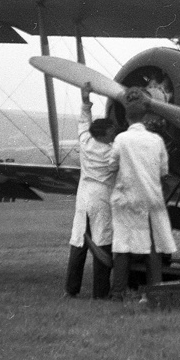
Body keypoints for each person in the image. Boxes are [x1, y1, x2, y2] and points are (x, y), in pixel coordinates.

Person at [109, 89, 175, 299]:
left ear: (127, 117)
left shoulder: (121, 139)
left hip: (126, 199)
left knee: (122, 247)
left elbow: (112, 164)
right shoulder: (156, 141)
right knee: (151, 248)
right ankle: (155, 292)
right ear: (145, 117)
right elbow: (164, 171)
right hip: (151, 199)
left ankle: (118, 292)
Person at [66, 84, 118, 298]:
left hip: (83, 197)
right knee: (102, 243)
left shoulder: (86, 141)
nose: (115, 134)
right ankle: (100, 292)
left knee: (79, 242)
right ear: (105, 134)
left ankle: (71, 289)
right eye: (113, 132)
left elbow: (83, 122)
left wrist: (85, 99)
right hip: (102, 199)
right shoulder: (112, 153)